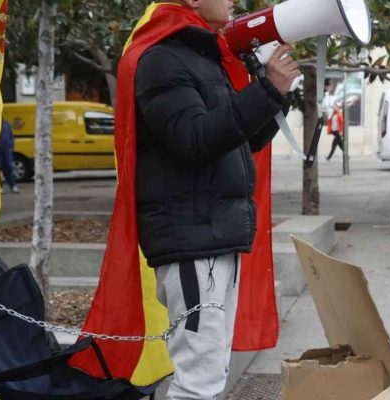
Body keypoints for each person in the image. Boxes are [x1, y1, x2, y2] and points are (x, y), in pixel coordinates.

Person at [132, 0, 298, 398]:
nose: (233, 1)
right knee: (198, 379)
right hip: (192, 239)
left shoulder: (206, 59)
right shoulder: (163, 60)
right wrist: (264, 90)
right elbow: (197, 139)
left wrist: (275, 93)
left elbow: (244, 139)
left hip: (212, 234)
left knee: (211, 370)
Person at [0, 119, 19, 194]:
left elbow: (11, 136)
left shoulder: (6, 124)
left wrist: (11, 147)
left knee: (9, 167)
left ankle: (13, 185)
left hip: (6, 149)